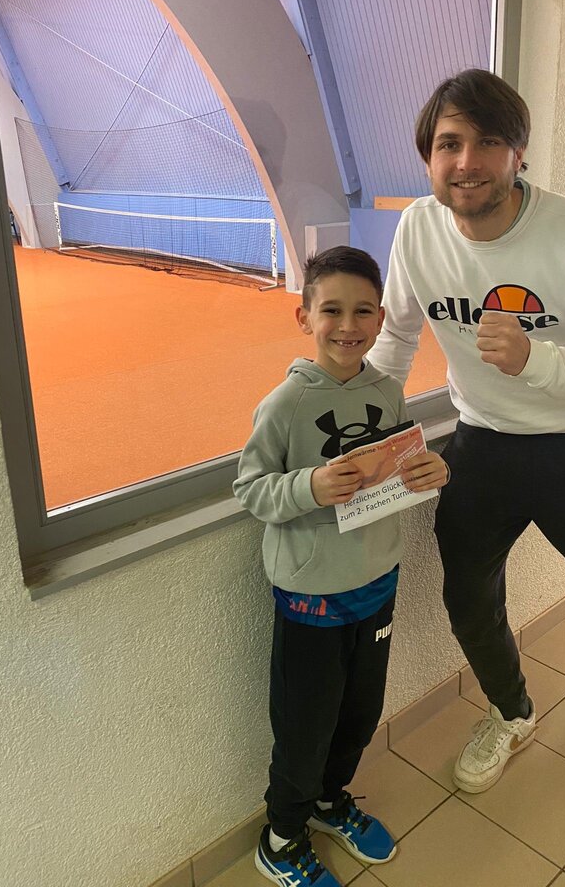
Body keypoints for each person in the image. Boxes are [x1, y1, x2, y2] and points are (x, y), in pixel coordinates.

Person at [368, 68, 565, 794]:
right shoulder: (418, 227)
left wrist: (535, 360)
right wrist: (350, 424)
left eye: (488, 142)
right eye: (449, 143)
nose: (467, 162)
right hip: (484, 444)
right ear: (427, 156)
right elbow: (394, 342)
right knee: (468, 597)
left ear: (519, 153)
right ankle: (511, 711)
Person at [234, 246, 448, 886]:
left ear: (381, 318)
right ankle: (281, 837)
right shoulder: (284, 405)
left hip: (377, 582)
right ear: (304, 317)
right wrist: (309, 487)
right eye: (332, 310)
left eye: (362, 311)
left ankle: (329, 804)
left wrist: (428, 471)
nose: (348, 325)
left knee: (359, 712)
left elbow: (397, 468)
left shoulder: (387, 391)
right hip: (311, 595)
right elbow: (251, 490)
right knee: (305, 725)